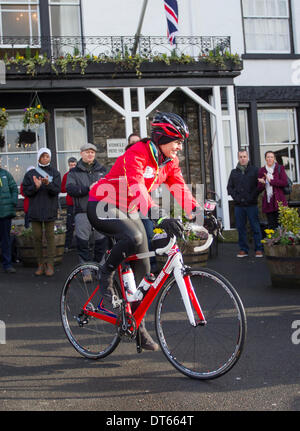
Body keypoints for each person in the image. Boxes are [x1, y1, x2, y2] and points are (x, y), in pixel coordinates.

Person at [87, 112, 201, 351]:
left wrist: (200, 213)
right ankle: (105, 270)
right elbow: (137, 186)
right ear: (163, 137)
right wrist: (159, 213)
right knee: (135, 236)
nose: (180, 147)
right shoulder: (137, 153)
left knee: (145, 270)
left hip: (127, 209)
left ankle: (135, 326)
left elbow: (179, 187)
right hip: (102, 203)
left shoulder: (169, 162)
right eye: (177, 141)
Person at [66, 143, 109, 279]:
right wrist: (87, 189)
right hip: (82, 211)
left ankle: (99, 268)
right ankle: (86, 271)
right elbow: (70, 189)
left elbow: (110, 187)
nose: (90, 154)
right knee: (83, 242)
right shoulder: (73, 172)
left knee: (101, 242)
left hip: (100, 211)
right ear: (81, 154)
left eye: (92, 152)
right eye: (87, 152)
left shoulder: (103, 170)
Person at [22, 148, 61, 276]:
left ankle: (50, 264)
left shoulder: (55, 173)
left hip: (49, 209)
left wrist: (48, 184)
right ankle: (40, 264)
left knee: (50, 238)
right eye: (43, 157)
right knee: (37, 237)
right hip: (35, 210)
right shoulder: (31, 174)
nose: (45, 159)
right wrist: (36, 186)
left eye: (47, 157)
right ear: (39, 158)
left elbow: (56, 190)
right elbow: (26, 192)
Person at [126, 133, 158, 273]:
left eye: (137, 142)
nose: (134, 144)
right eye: (132, 142)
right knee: (134, 237)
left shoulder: (146, 160)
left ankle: (151, 264)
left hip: (144, 205)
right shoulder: (126, 159)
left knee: (149, 234)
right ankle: (133, 266)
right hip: (130, 206)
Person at [227, 149, 263, 258]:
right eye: (241, 157)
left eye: (244, 156)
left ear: (248, 157)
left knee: (255, 227)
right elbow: (229, 187)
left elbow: (259, 186)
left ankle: (259, 249)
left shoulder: (255, 170)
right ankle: (243, 249)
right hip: (239, 206)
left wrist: (252, 196)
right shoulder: (234, 172)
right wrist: (236, 198)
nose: (243, 159)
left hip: (251, 204)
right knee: (241, 228)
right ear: (238, 158)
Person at [258, 151, 288, 230]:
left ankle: (280, 242)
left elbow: (284, 182)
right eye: (268, 157)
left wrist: (271, 181)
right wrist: (263, 183)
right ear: (265, 159)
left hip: (279, 201)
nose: (270, 159)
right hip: (269, 202)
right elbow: (259, 188)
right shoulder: (262, 170)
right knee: (271, 226)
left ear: (274, 158)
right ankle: (272, 242)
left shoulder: (280, 168)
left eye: (271, 157)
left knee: (281, 226)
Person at [0, 162, 18, 273]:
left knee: (6, 240)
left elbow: (14, 189)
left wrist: (13, 202)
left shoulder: (6, 174)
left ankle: (7, 264)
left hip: (5, 213)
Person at [61, 157, 77, 252]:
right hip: (70, 203)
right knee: (70, 225)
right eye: (71, 165)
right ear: (69, 165)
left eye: (74, 165)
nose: (72, 167)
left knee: (82, 226)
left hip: (79, 203)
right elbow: (62, 189)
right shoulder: (66, 175)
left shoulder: (80, 174)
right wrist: (69, 188)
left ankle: (83, 245)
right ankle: (67, 245)